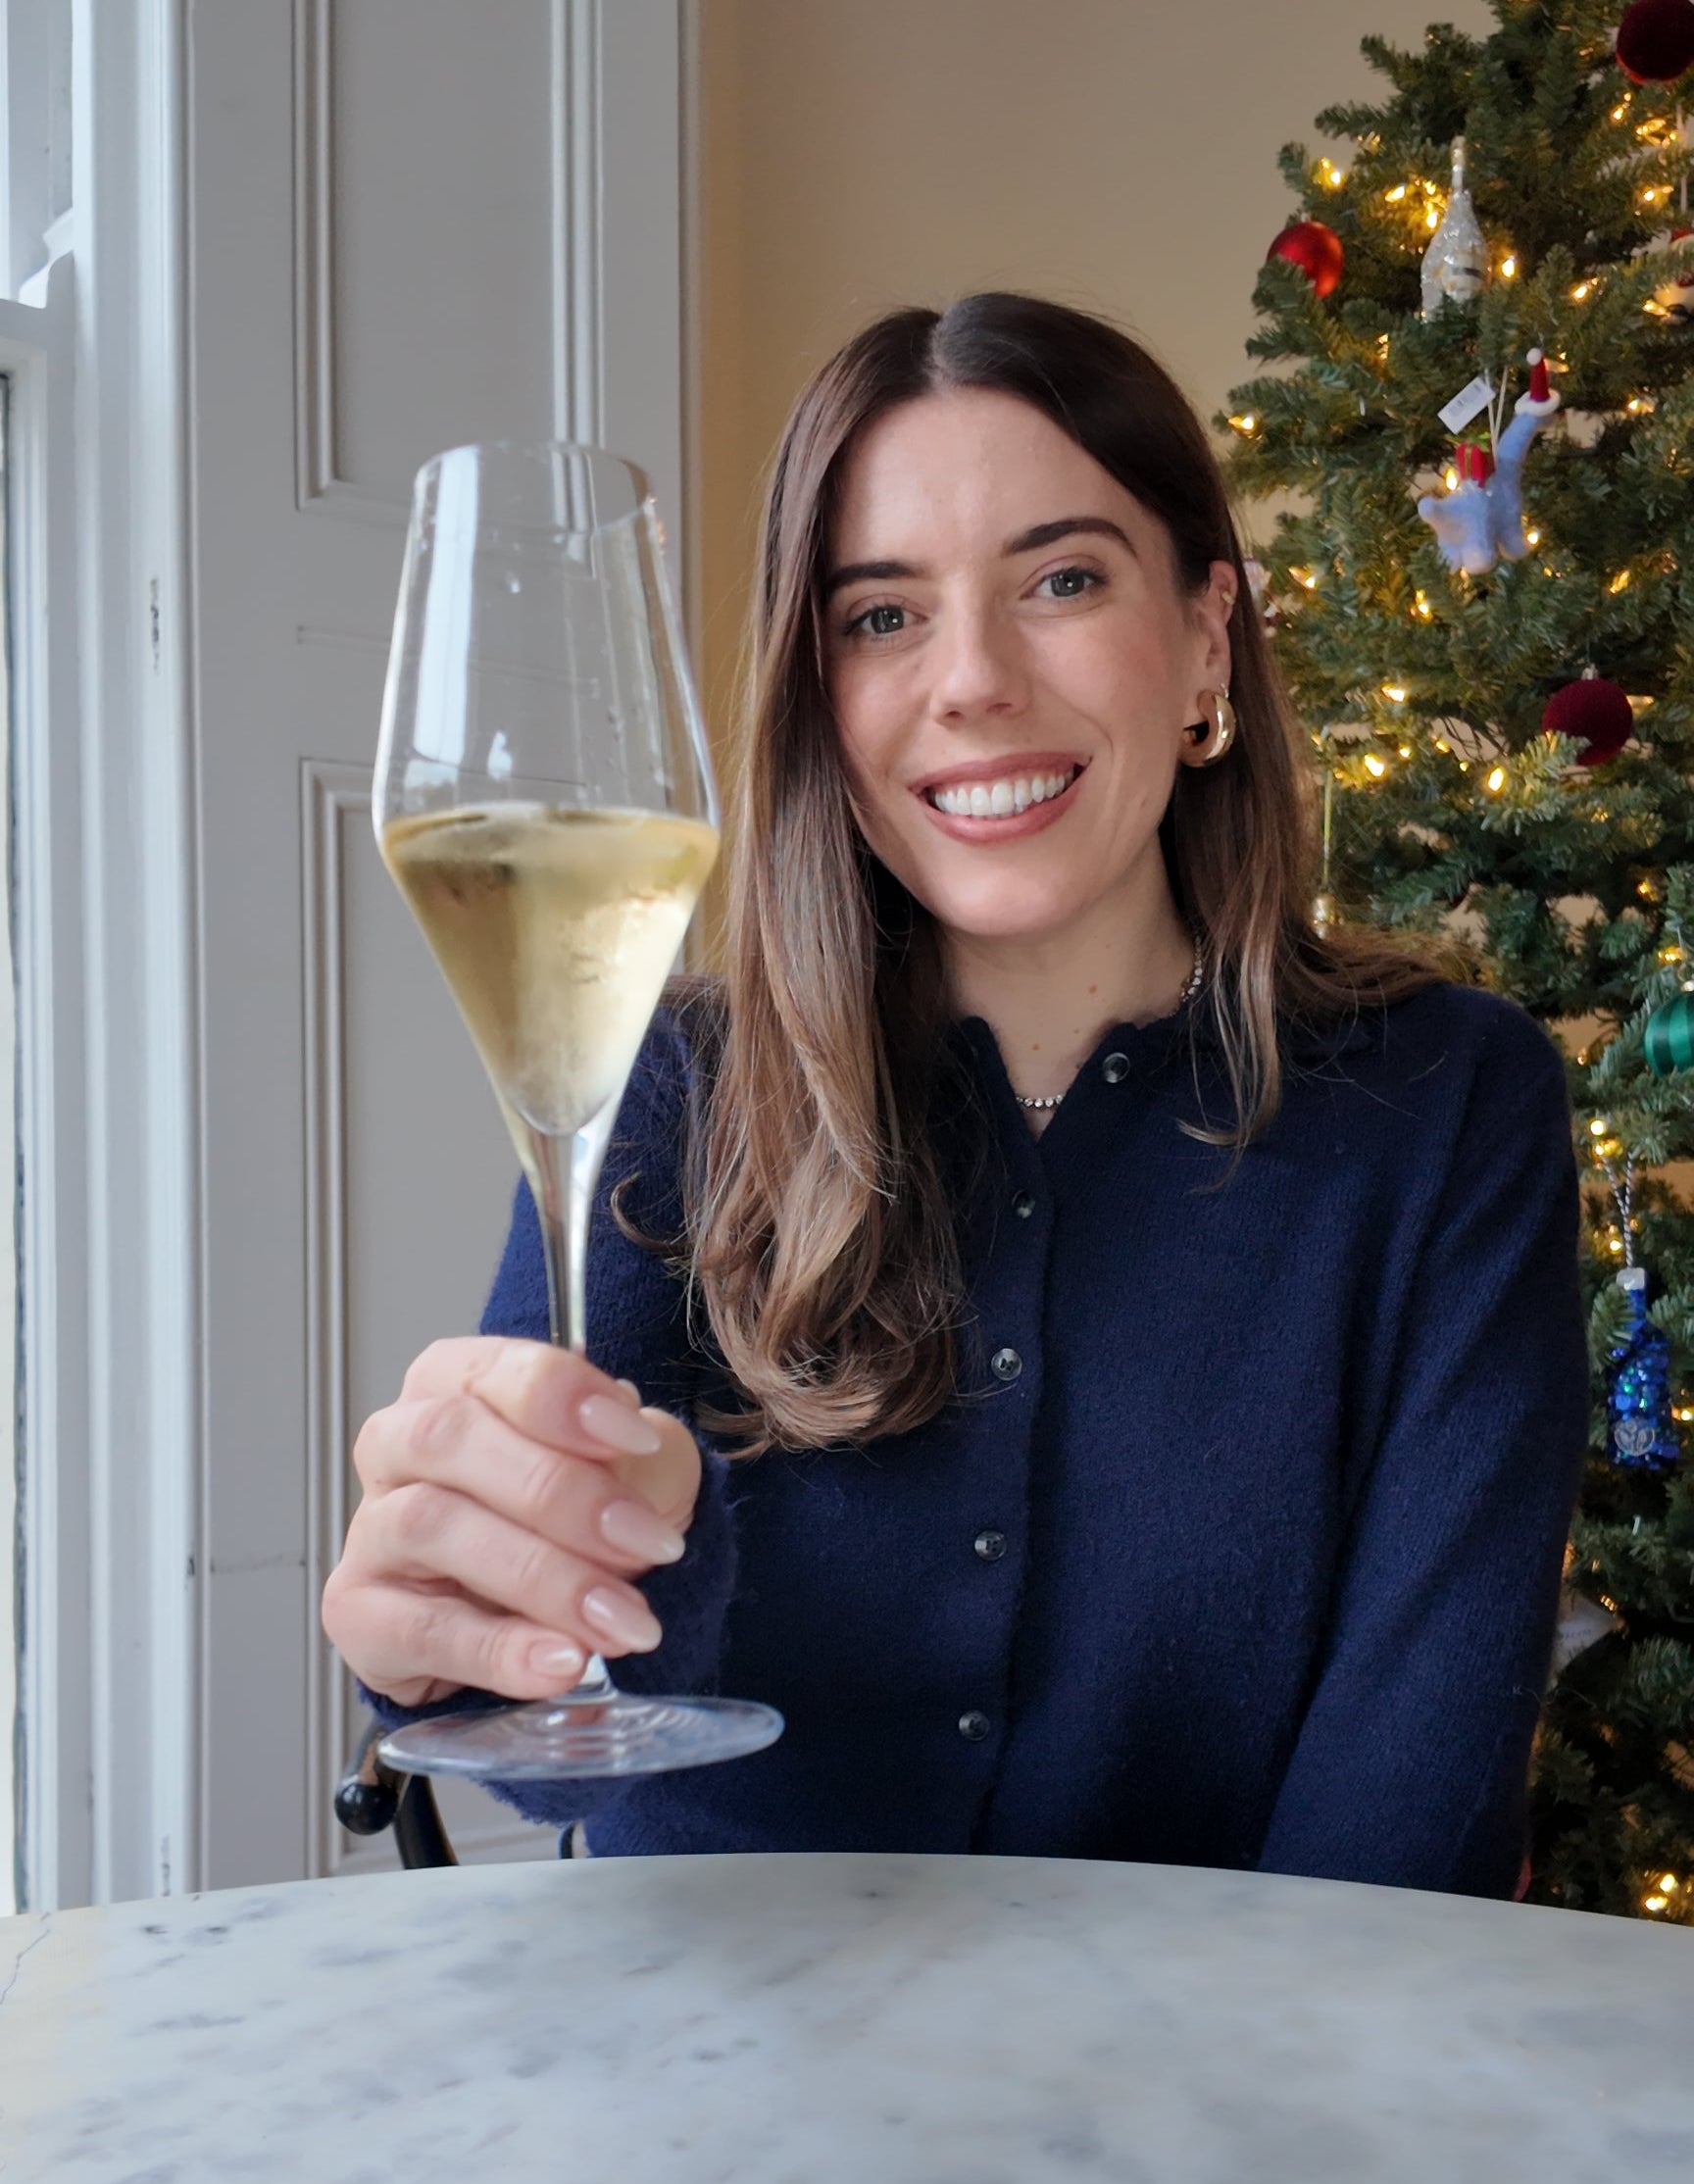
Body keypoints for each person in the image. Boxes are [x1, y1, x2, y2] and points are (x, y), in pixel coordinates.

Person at [323, 292, 1587, 1895]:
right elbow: (539, 1720)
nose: (972, 681)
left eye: (1062, 580)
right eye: (881, 616)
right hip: (706, 2079)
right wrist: (474, 1602)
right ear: (820, 697)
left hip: (1225, 2107)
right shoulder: (669, 1089)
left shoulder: (1448, 1104)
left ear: (1208, 637)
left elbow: (1413, 1818)